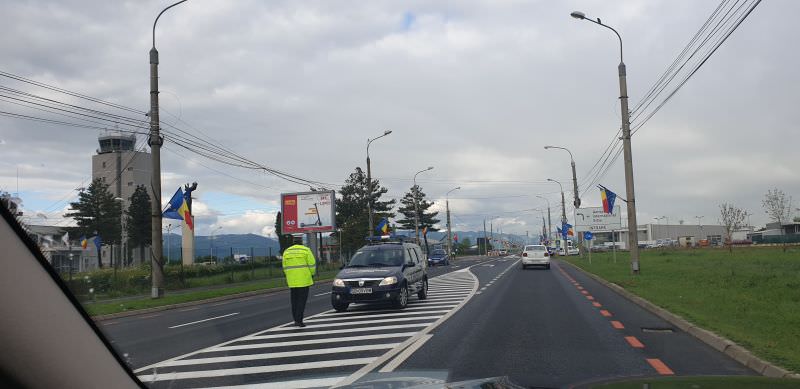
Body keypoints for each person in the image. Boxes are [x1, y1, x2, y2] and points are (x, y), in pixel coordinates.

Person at [282, 235, 316, 327]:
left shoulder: (287, 251)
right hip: (304, 280)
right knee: (302, 301)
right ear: (301, 241)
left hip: (292, 281)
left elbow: (284, 267)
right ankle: (299, 320)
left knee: (294, 301)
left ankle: (295, 319)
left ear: (293, 241)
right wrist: (312, 274)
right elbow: (312, 264)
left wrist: (289, 275)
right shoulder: (306, 250)